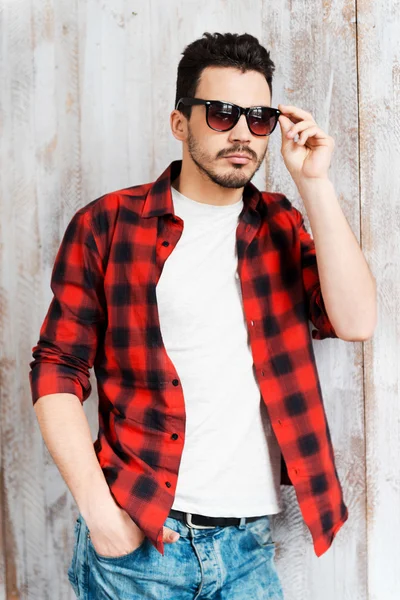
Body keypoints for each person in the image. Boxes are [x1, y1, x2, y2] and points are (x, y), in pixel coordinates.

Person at [29, 32, 376, 599]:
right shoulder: (109, 223)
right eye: (221, 113)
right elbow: (57, 368)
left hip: (248, 551)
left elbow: (357, 320)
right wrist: (101, 515)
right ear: (180, 123)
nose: (242, 132)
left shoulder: (280, 225)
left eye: (259, 117)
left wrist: (314, 182)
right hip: (141, 545)